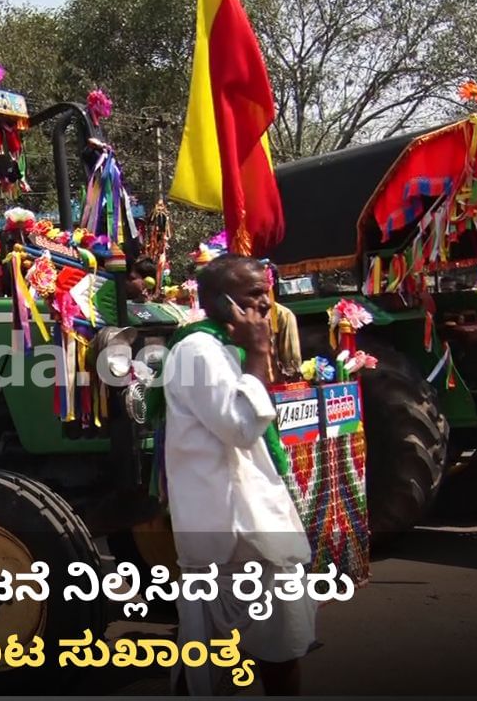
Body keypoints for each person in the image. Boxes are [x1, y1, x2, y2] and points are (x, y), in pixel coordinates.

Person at [159, 254, 316, 695]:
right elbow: (241, 428)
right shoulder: (197, 351)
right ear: (223, 302)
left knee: (281, 650)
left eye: (267, 293)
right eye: (253, 295)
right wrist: (260, 352)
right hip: (228, 532)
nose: (266, 305)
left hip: (255, 527)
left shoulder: (225, 349)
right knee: (210, 664)